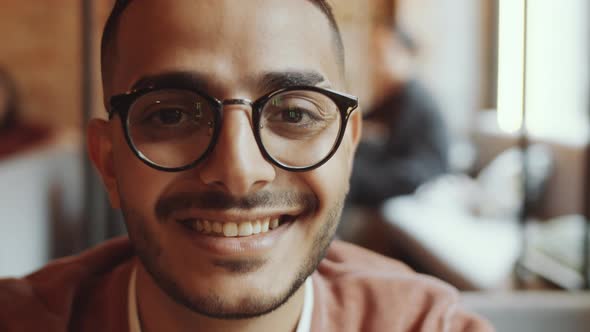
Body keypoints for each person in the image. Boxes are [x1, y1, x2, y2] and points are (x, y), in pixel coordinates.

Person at [0, 1, 493, 331]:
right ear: (108, 162)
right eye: (171, 114)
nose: (238, 171)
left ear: (347, 148)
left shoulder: (425, 325)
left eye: (294, 114)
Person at [348, 24, 449, 206]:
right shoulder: (395, 94)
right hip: (400, 167)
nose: (375, 60)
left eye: (382, 52)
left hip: (418, 175)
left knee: (353, 173)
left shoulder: (414, 97)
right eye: (374, 52)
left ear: (405, 53)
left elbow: (393, 145)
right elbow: (363, 121)